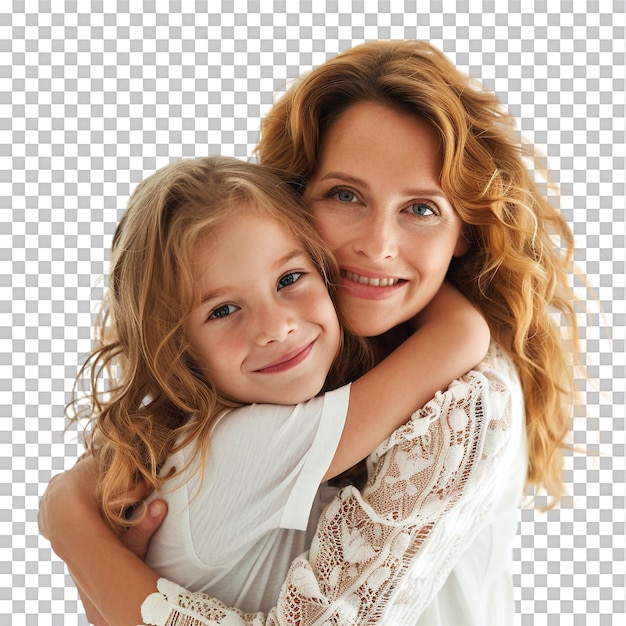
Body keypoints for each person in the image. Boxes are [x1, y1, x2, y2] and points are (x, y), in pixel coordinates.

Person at [39, 40, 580, 625]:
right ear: (292, 203)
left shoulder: (467, 401)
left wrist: (75, 532)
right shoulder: (287, 381)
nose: (377, 245)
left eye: (421, 209)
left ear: (466, 231)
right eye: (345, 195)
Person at [40, 153, 488, 624]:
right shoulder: (241, 447)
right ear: (179, 353)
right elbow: (460, 336)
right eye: (223, 311)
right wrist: (410, 262)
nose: (275, 327)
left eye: (289, 279)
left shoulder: (196, 443)